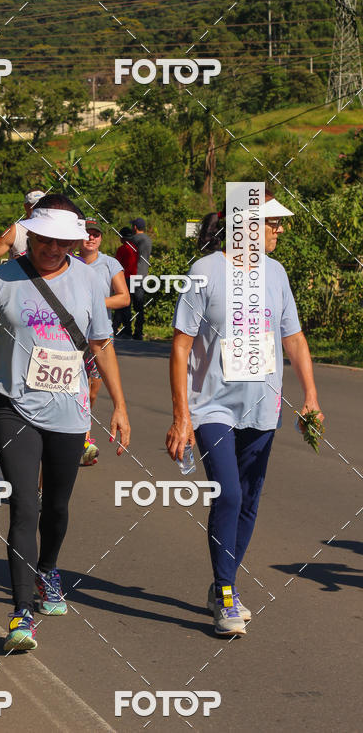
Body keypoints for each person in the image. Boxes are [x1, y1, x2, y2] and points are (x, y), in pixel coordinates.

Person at [0, 194, 131, 652]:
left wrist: (120, 407)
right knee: (24, 505)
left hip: (71, 410)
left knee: (56, 507)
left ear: (72, 242)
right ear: (32, 234)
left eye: (62, 242)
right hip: (14, 405)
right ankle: (20, 614)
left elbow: (102, 345)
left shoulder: (88, 280)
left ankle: (48, 571)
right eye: (44, 239)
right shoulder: (0, 280)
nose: (52, 249)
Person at [166, 189, 324, 637]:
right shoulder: (205, 271)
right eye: (270, 222)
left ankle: (224, 586)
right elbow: (180, 346)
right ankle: (227, 594)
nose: (278, 230)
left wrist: (309, 394)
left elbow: (293, 338)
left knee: (250, 502)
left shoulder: (276, 274)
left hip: (263, 406)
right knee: (229, 495)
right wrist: (181, 416)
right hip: (212, 406)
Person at [77, 217, 130, 465]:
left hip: (100, 334)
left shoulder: (110, 264)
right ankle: (81, 439)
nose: (91, 237)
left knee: (93, 390)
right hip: (71, 335)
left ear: (100, 238)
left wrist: (95, 305)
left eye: (95, 234)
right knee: (74, 387)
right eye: (87, 233)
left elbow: (123, 298)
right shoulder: (67, 262)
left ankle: (81, 431)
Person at [0, 190, 45, 271]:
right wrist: (5, 279)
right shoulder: (16, 230)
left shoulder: (55, 230)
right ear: (26, 207)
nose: (38, 209)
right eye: (34, 206)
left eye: (42, 205)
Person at [129, 217, 152, 340]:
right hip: (144, 275)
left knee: (126, 303)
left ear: (135, 227)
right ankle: (139, 331)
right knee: (139, 305)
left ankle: (125, 329)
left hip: (133, 274)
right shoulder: (148, 239)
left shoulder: (134, 239)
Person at [113, 226, 138, 338]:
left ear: (122, 238)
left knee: (123, 305)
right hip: (134, 279)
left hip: (124, 278)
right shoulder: (135, 248)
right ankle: (117, 328)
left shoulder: (122, 249)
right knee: (127, 305)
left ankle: (127, 330)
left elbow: (116, 265)